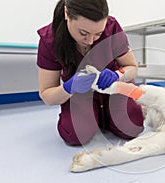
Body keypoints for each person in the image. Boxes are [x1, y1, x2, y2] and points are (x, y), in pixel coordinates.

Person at [37, 0, 144, 146]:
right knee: (75, 134)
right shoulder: (50, 40)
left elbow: (132, 67)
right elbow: (47, 95)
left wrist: (118, 75)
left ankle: (105, 116)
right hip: (80, 95)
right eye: (83, 33)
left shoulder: (112, 27)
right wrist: (68, 88)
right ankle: (97, 116)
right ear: (67, 13)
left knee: (131, 127)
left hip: (114, 89)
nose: (90, 41)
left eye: (98, 34)